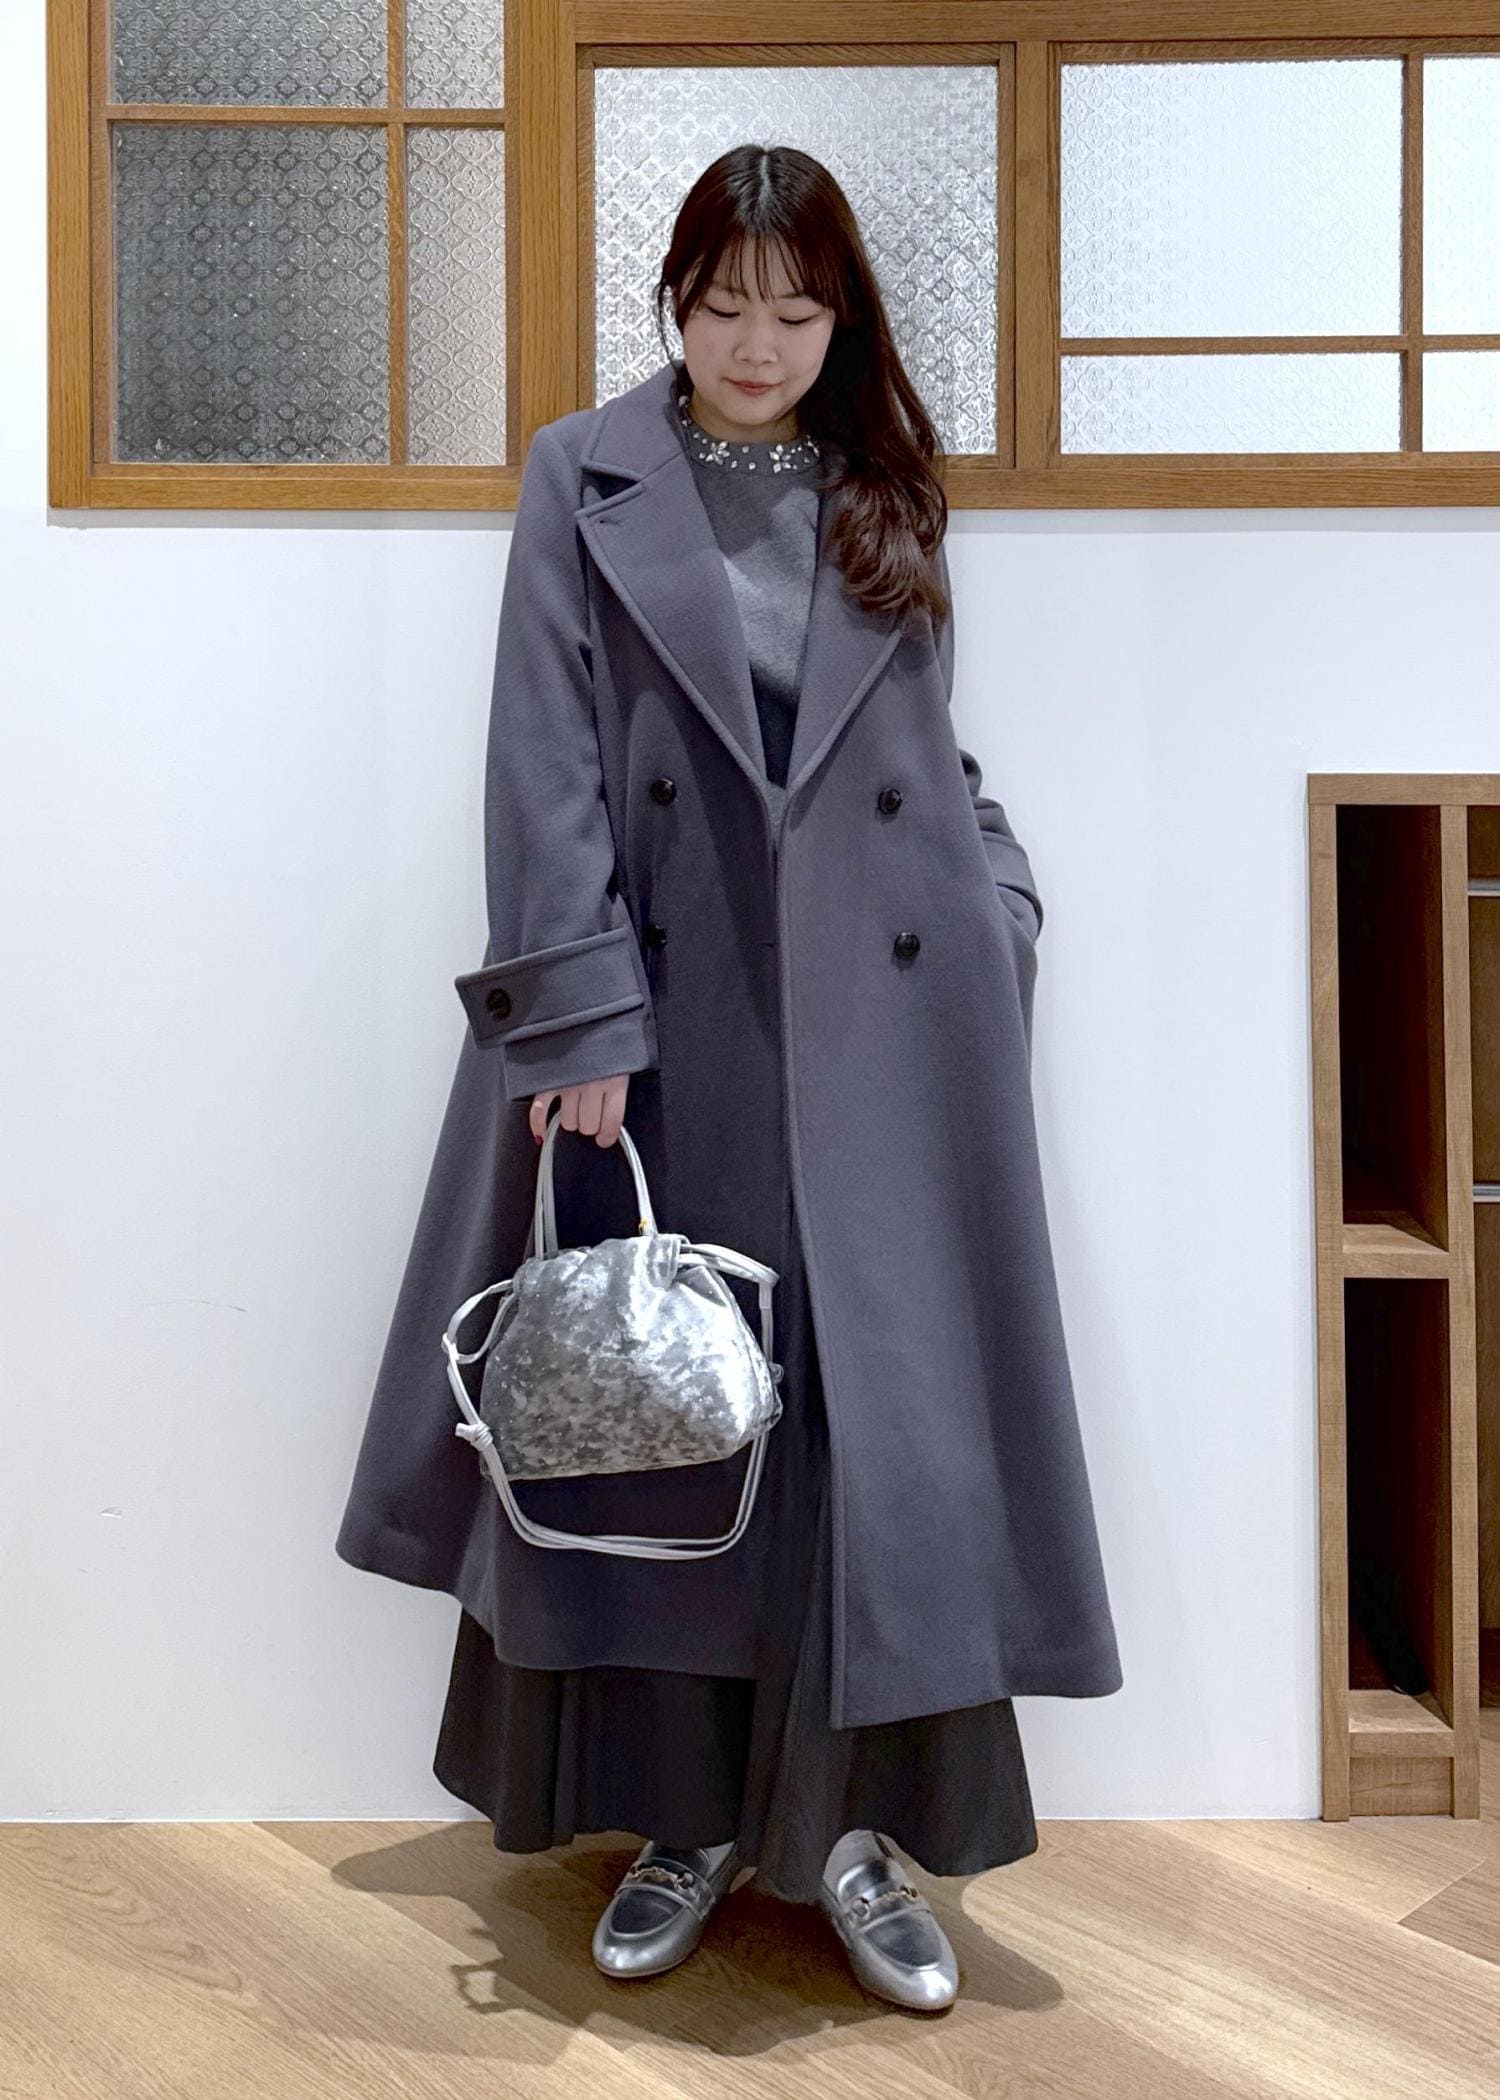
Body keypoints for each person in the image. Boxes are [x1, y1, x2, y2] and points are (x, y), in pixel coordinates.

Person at [338, 143, 1123, 2016]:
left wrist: (1003, 907)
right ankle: (683, 1827)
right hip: (670, 1033)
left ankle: (850, 1841)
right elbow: (541, 754)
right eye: (724, 305)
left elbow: (927, 746)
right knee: (671, 1421)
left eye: (795, 309)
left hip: (886, 1027)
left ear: (839, 319)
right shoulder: (584, 471)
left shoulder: (886, 485)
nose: (757, 343)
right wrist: (581, 1019)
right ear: (674, 302)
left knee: (862, 1436)